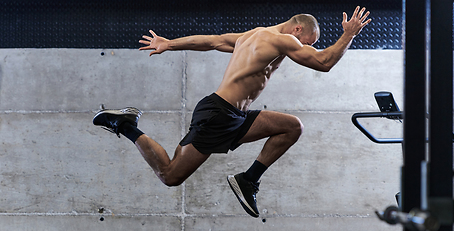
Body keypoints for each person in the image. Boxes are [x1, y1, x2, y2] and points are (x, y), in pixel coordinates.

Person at [93, 6, 371, 218]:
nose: (305, 49)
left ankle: (247, 180)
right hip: (218, 115)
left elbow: (213, 41)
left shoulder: (254, 35)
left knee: (292, 127)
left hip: (234, 115)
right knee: (170, 175)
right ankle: (125, 125)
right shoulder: (284, 41)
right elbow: (324, 63)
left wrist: (170, 43)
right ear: (297, 30)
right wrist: (348, 34)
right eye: (308, 42)